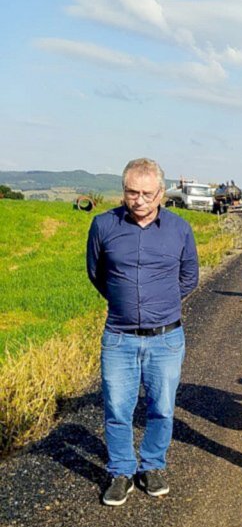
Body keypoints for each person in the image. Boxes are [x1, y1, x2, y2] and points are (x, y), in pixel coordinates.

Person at [86, 157, 199, 507]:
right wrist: (126, 303)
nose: (139, 200)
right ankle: (121, 471)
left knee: (162, 407)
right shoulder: (103, 225)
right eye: (132, 192)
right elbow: (97, 274)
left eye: (147, 193)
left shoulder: (180, 229)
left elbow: (189, 277)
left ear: (161, 193)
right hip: (119, 337)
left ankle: (152, 465)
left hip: (166, 337)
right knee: (118, 408)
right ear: (123, 191)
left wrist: (157, 304)